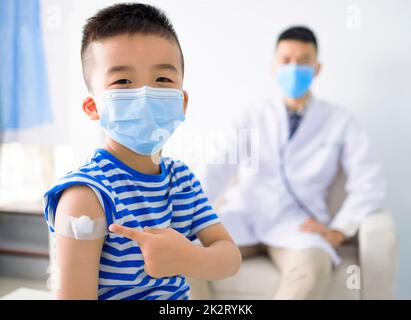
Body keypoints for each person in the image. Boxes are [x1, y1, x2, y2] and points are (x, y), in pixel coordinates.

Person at [43, 3, 241, 300]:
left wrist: (187, 257)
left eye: (162, 79)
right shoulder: (86, 196)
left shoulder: (182, 179)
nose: (145, 94)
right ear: (93, 107)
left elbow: (230, 258)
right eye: (123, 81)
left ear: (182, 102)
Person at [197, 26, 386, 299]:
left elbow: (369, 181)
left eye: (304, 61)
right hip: (244, 216)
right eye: (286, 60)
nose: (294, 67)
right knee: (184, 255)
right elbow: (217, 168)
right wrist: (188, 215)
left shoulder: (339, 120)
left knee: (312, 266)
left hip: (299, 225)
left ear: (317, 67)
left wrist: (339, 229)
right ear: (274, 66)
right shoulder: (252, 115)